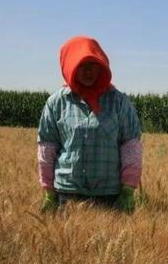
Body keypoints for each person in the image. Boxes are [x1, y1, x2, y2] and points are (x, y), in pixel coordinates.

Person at [37, 36, 142, 213]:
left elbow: (131, 145)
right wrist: (49, 190)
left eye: (93, 65)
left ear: (102, 66)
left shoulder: (119, 102)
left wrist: (128, 189)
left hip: (109, 196)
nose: (88, 72)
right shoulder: (57, 103)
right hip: (67, 194)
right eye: (81, 66)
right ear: (70, 67)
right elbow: (47, 147)